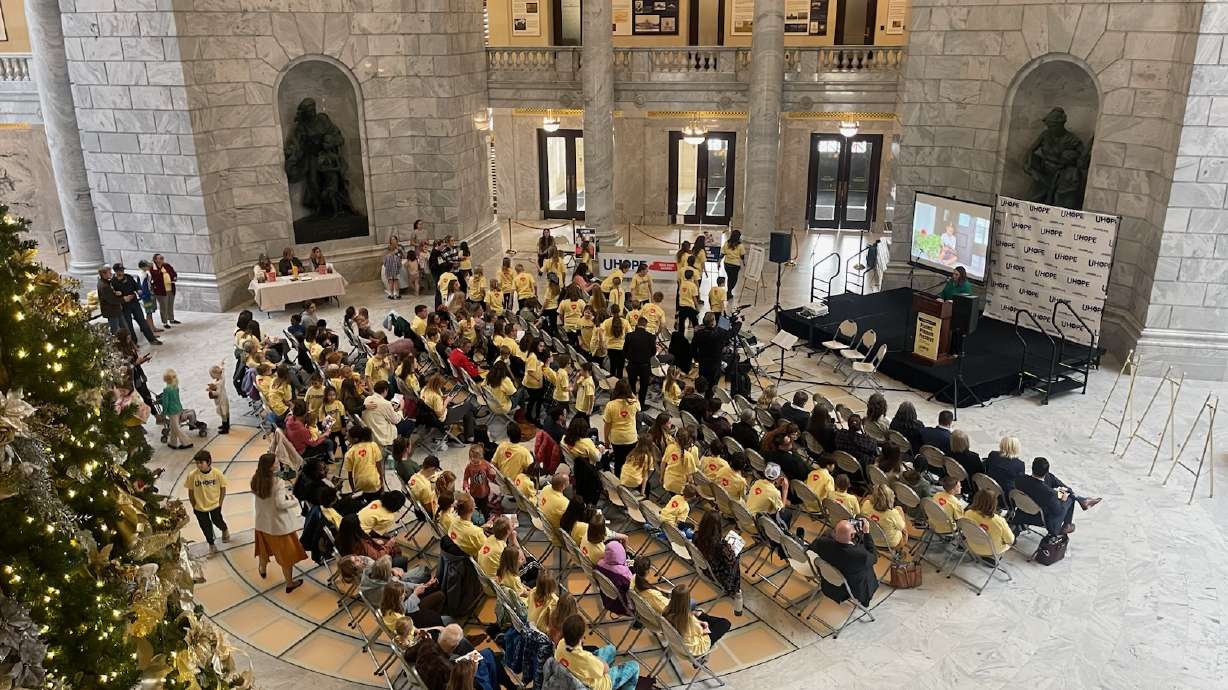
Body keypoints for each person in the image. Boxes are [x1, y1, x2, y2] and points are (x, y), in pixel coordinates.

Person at [251, 452, 307, 593]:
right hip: (278, 526)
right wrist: (294, 501)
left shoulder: (256, 479)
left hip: (262, 523)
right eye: (276, 462)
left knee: (264, 551)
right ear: (270, 467)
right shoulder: (278, 482)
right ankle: (289, 583)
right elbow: (280, 504)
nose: (278, 463)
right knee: (286, 557)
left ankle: (262, 569)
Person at [1014, 457, 1102, 536]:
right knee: (1069, 499)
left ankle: (1079, 499)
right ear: (1045, 471)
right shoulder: (1050, 494)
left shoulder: (1020, 479)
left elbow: (1043, 489)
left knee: (1052, 479)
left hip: (1024, 509)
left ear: (1032, 468)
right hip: (1040, 517)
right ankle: (1068, 523)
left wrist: (1059, 494)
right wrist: (1063, 500)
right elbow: (1058, 511)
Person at [555, 614, 640, 690]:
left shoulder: (561, 645)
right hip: (596, 686)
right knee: (635, 666)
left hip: (576, 675)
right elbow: (605, 669)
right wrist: (598, 660)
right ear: (581, 637)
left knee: (612, 649)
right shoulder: (587, 659)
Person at [810, 518, 878, 606]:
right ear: (852, 536)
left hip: (829, 585)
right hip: (851, 590)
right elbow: (874, 558)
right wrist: (867, 533)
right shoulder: (861, 556)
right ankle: (866, 600)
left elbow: (811, 547)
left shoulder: (821, 543)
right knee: (867, 569)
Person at [693, 511, 743, 615]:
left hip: (704, 568)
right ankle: (735, 591)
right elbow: (731, 562)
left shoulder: (696, 536)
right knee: (736, 559)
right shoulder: (721, 546)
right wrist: (733, 552)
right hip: (718, 576)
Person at [662, 585, 731, 657]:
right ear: (687, 599)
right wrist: (704, 627)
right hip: (695, 648)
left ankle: (700, 614)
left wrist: (698, 623)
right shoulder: (688, 620)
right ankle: (700, 614)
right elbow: (701, 632)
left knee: (709, 621)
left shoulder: (666, 611)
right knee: (725, 623)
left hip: (677, 643)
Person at [185, 450, 229, 551]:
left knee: (217, 521)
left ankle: (224, 529)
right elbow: (190, 492)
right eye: (197, 463)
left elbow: (223, 488)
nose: (199, 465)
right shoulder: (192, 475)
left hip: (215, 505)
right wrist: (194, 505)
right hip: (199, 507)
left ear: (208, 462)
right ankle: (211, 544)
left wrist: (220, 503)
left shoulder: (217, 474)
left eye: (201, 462)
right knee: (205, 527)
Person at [112, 263, 161, 345]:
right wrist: (121, 297)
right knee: (129, 325)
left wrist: (138, 290)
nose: (122, 272)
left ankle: (151, 339)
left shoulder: (128, 277)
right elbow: (113, 295)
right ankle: (134, 342)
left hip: (134, 302)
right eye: (120, 270)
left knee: (142, 321)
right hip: (125, 306)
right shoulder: (113, 282)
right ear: (116, 271)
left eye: (123, 270)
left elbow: (136, 285)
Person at [602, 381, 640, 476]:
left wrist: (606, 440)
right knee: (630, 461)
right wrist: (630, 393)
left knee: (618, 462)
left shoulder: (610, 405)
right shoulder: (634, 403)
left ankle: (618, 482)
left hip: (617, 439)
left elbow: (607, 426)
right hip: (631, 437)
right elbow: (639, 406)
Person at [963, 490, 1014, 559]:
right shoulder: (999, 521)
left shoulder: (968, 513)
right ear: (994, 503)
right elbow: (1010, 540)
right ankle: (993, 558)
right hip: (992, 550)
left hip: (971, 544)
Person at [860, 483, 907, 550]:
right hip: (889, 544)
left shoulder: (866, 504)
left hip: (868, 537)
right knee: (899, 510)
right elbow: (902, 528)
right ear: (889, 498)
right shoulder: (893, 513)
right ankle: (900, 551)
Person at [690, 313, 728, 389]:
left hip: (703, 362)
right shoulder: (719, 333)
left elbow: (692, 348)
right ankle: (709, 397)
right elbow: (731, 332)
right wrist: (738, 322)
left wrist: (697, 358)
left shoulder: (698, 333)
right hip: (714, 363)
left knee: (702, 382)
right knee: (713, 384)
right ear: (713, 322)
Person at [623, 318, 655, 405]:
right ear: (645, 325)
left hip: (632, 364)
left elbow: (625, 350)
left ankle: (633, 403)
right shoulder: (651, 337)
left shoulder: (629, 336)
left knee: (632, 384)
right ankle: (641, 404)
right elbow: (653, 352)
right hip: (645, 365)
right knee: (644, 386)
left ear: (637, 324)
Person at [159, 369, 193, 449]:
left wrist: (163, 413)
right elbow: (177, 399)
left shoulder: (166, 390)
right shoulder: (175, 387)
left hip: (172, 411)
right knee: (173, 426)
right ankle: (173, 443)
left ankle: (187, 442)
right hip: (178, 409)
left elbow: (165, 403)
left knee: (176, 428)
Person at [148, 253, 180, 327]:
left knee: (170, 304)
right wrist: (157, 267)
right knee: (164, 306)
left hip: (170, 288)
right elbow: (156, 278)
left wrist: (174, 277)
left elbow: (173, 272)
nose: (162, 259)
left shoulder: (166, 266)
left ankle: (171, 319)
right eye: (160, 258)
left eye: (162, 258)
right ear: (155, 260)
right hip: (161, 291)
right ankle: (165, 322)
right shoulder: (153, 268)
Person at [948, 430, 983, 496]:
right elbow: (980, 474)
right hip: (968, 486)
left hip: (953, 482)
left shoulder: (948, 456)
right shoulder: (973, 457)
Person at [97, 266, 127, 335]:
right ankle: (120, 344)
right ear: (103, 274)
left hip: (115, 310)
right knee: (116, 330)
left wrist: (115, 293)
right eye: (109, 272)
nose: (111, 274)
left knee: (123, 328)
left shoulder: (106, 282)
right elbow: (111, 300)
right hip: (111, 311)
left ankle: (126, 343)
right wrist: (124, 299)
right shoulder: (104, 286)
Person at [207, 363, 230, 434]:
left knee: (223, 414)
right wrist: (222, 365)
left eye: (211, 375)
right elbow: (222, 371)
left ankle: (225, 429)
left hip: (221, 400)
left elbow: (217, 393)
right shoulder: (222, 378)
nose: (211, 376)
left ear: (216, 374)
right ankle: (226, 425)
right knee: (226, 412)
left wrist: (210, 391)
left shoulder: (218, 383)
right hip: (225, 397)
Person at [721, 230, 744, 299]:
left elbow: (722, 254)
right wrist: (743, 262)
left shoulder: (726, 243)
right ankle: (729, 291)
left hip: (727, 264)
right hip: (735, 265)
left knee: (729, 278)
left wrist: (719, 262)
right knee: (734, 279)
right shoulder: (740, 246)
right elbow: (742, 256)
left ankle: (729, 291)